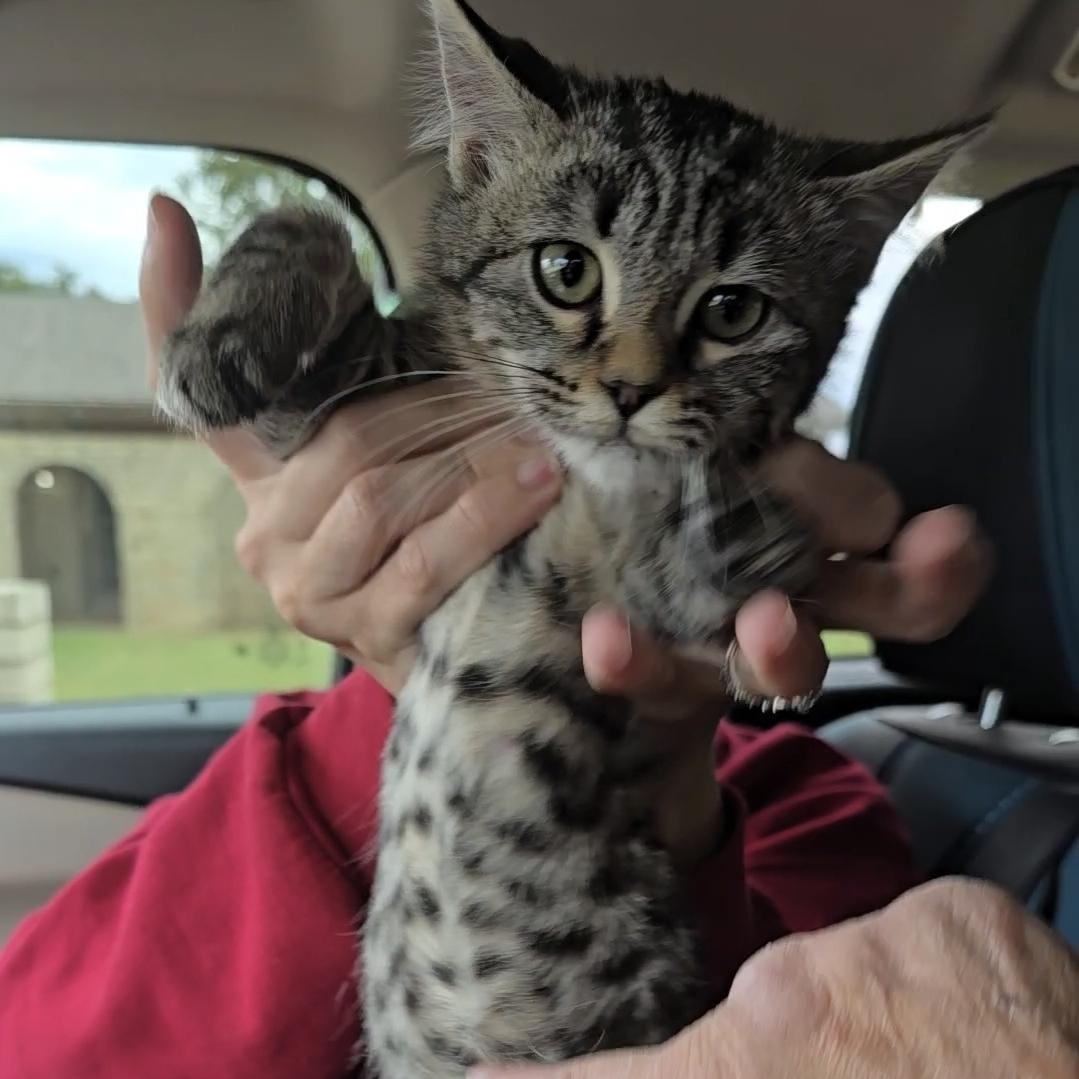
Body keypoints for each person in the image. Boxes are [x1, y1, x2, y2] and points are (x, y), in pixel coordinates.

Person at [0, 195, 1072, 1079]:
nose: (630, 371)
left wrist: (652, 760)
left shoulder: (833, 817)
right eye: (566, 274)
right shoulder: (296, 763)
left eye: (726, 316)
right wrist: (412, 661)